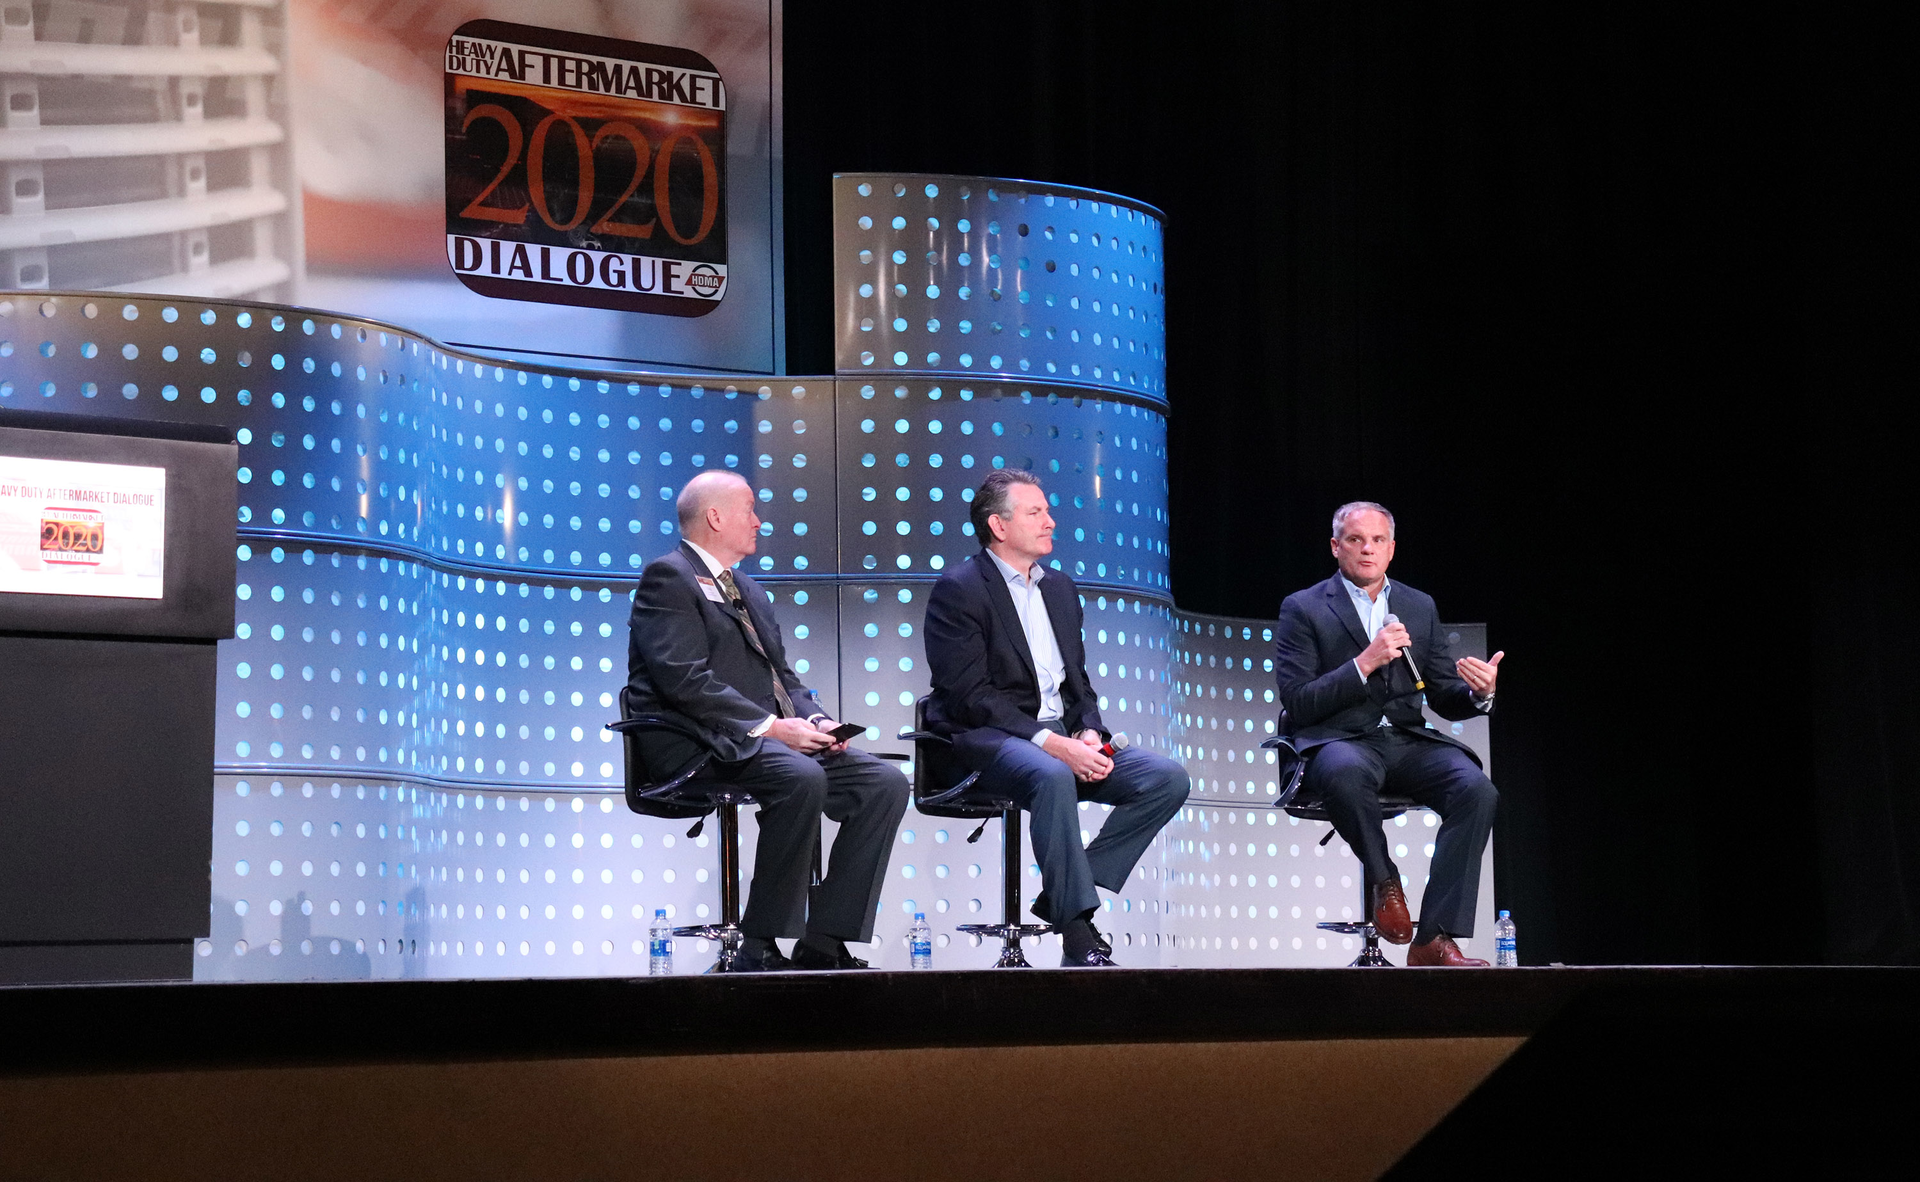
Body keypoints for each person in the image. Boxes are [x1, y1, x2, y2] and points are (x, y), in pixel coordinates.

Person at [626, 471, 908, 971]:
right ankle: (758, 945)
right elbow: (682, 680)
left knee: (883, 782)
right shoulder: (668, 577)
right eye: (750, 509)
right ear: (715, 517)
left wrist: (816, 721)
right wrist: (775, 729)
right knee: (800, 776)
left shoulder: (748, 589)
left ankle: (823, 938)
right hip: (694, 741)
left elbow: (783, 678)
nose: (758, 521)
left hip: (759, 742)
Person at [923, 469, 1191, 967]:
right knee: (1051, 775)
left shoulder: (1061, 590)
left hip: (1059, 738)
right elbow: (967, 695)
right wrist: (1052, 742)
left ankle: (1063, 895)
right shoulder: (959, 589)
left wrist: (1089, 728)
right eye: (1036, 512)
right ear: (999, 526)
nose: (1051, 520)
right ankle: (1075, 929)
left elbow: (1078, 683)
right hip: (988, 739)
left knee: (1166, 778)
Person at [1273, 501, 1505, 967]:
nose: (1367, 550)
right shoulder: (1304, 607)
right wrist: (1365, 662)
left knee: (1476, 791)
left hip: (1405, 739)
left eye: (1378, 540)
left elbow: (1440, 693)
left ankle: (1433, 940)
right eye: (1356, 540)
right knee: (1343, 772)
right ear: (1336, 547)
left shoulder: (1418, 606)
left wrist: (1479, 694)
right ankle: (1386, 882)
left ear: (1392, 549)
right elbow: (1297, 701)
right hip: (1338, 739)